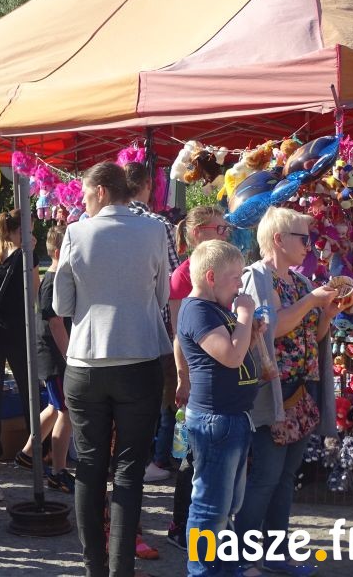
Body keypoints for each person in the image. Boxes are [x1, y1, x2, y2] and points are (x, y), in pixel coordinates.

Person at [53, 162, 171, 577]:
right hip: (139, 356)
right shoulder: (155, 230)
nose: (84, 203)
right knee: (129, 471)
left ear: (101, 191)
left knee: (89, 467)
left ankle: (94, 567)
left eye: (86, 195)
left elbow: (61, 305)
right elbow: (161, 295)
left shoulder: (76, 233)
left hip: (87, 360)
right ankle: (121, 568)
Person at [235, 207, 338, 577]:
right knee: (266, 476)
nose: (309, 245)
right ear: (279, 239)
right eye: (303, 238)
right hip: (273, 392)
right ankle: (242, 556)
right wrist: (312, 303)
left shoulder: (299, 282)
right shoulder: (256, 277)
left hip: (301, 390)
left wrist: (327, 314)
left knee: (285, 477)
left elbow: (313, 334)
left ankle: (274, 553)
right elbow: (271, 328)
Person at [177, 240, 258, 577]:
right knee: (210, 507)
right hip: (216, 420)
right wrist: (246, 315)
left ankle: (222, 568)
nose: (240, 284)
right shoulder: (198, 309)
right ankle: (203, 571)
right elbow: (231, 356)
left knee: (226, 506)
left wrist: (249, 330)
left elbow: (232, 350)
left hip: (231, 418)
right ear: (211, 277)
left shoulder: (213, 308)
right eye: (235, 277)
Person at [166, 205, 232, 550]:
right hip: (198, 376)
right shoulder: (184, 275)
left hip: (220, 374)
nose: (225, 234)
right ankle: (180, 524)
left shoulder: (223, 269)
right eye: (218, 229)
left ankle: (215, 524)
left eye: (226, 229)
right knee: (192, 455)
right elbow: (179, 334)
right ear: (196, 234)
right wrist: (184, 377)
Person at [124, 161, 181, 483]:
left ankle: (132, 458)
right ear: (148, 185)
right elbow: (173, 279)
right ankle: (155, 458)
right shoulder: (158, 225)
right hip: (155, 325)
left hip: (117, 331)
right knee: (160, 397)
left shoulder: (96, 222)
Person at [0, 209, 39, 461]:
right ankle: (35, 448)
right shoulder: (25, 256)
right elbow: (33, 294)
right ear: (15, 231)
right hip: (17, 330)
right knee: (28, 390)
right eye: (28, 230)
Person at [16, 226, 74, 493]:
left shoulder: (58, 277)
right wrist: (69, 357)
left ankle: (28, 453)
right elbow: (55, 322)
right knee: (66, 411)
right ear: (60, 252)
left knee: (54, 406)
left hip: (54, 353)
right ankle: (58, 472)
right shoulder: (53, 280)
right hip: (54, 356)